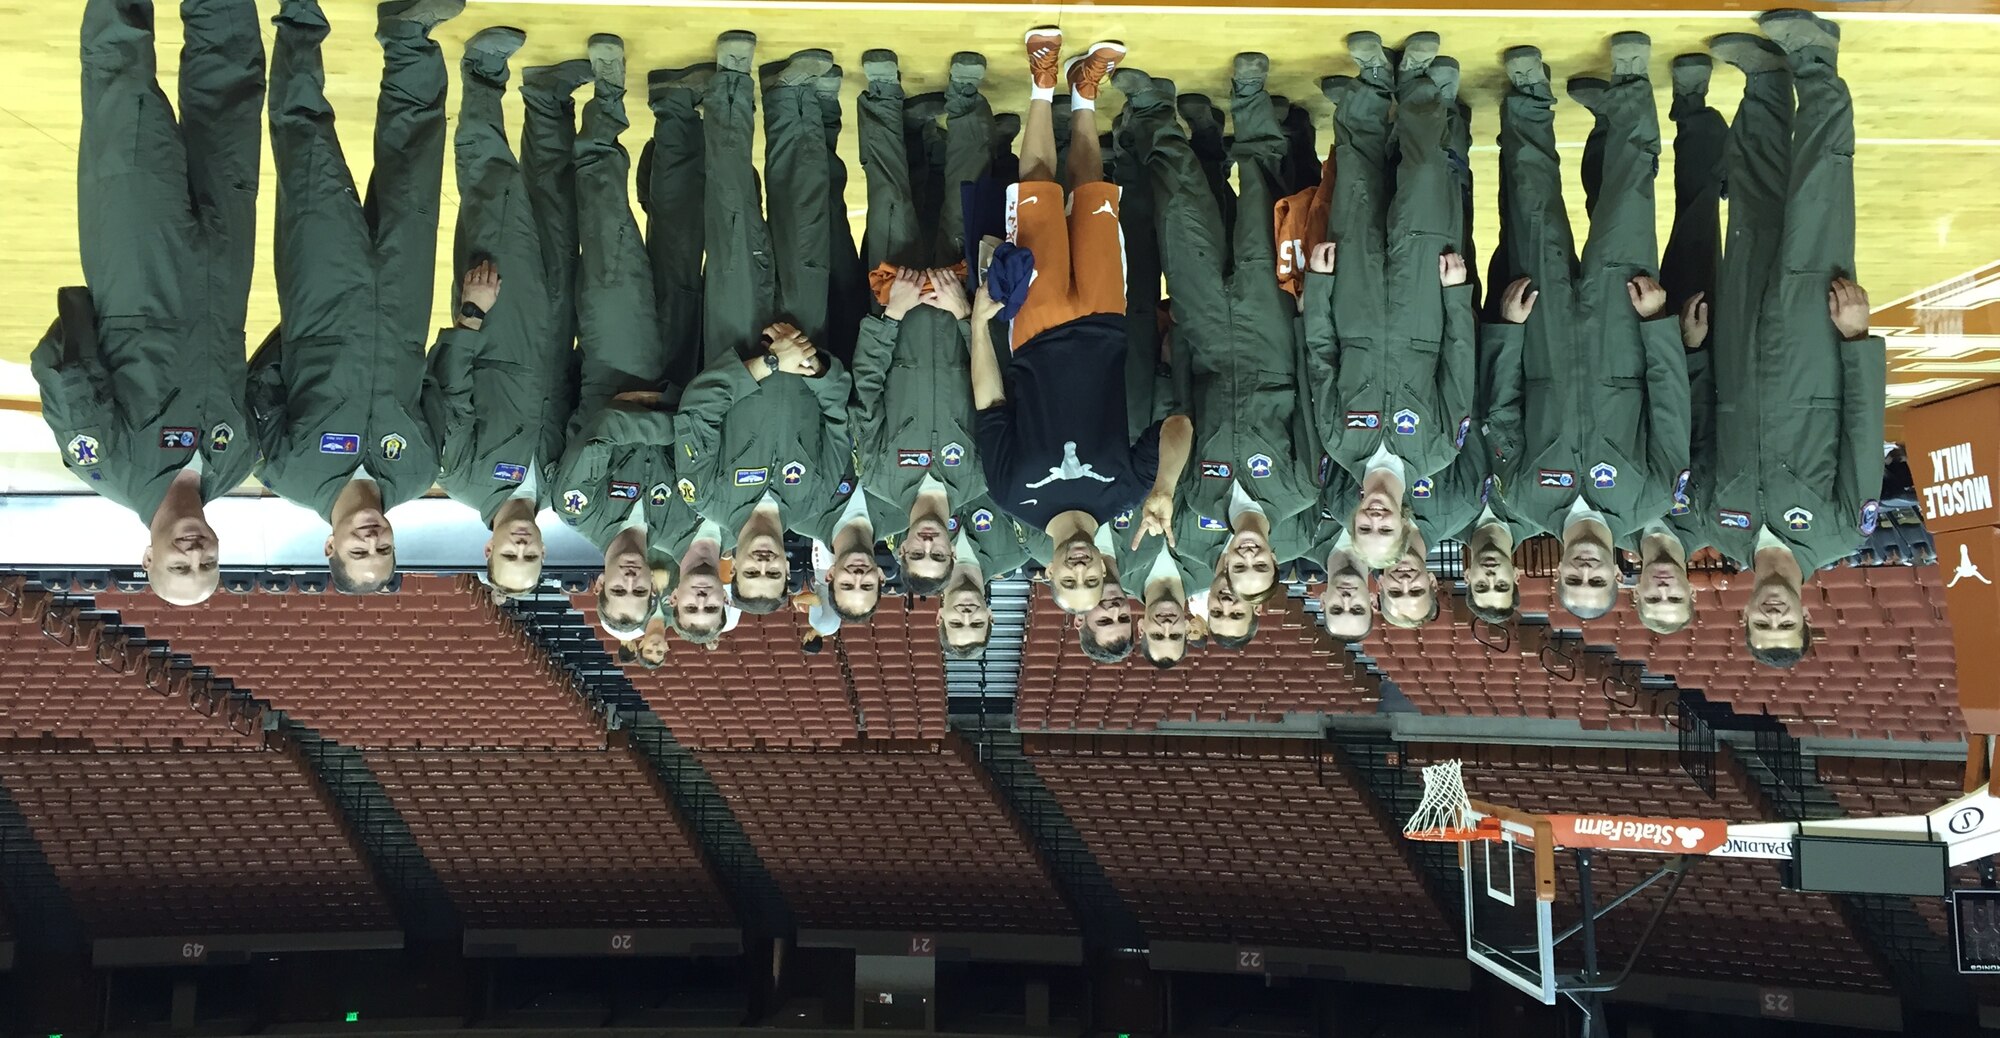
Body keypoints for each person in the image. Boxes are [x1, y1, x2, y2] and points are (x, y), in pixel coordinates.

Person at [33, 0, 265, 606]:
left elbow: (59, 367)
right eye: (208, 563)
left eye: (179, 567)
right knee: (231, 99)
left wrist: (111, 304)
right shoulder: (237, 460)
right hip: (224, 268)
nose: (195, 554)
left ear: (147, 557)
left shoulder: (105, 464)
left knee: (124, 90)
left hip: (139, 262)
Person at [973, 27, 1194, 615]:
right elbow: (1178, 427)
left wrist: (978, 326)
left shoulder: (1011, 495)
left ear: (1047, 575)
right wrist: (1165, 487)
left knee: (1039, 186)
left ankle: (1042, 81)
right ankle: (1085, 92)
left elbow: (991, 404)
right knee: (1095, 187)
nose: (1079, 574)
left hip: (1034, 329)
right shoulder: (1126, 494)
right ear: (1106, 568)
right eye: (1090, 581)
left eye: (1067, 584)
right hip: (1105, 320)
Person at [250, 0, 462, 595]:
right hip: (402, 301)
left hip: (323, 294)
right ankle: (409, 37)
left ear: (329, 545)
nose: (372, 536)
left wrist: (301, 333)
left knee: (307, 148)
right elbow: (438, 390)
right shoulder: (419, 472)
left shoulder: (287, 472)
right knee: (416, 162)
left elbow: (260, 385)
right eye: (383, 547)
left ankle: (298, 22)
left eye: (358, 549)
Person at [1489, 34, 1690, 622]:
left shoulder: (1520, 499)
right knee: (1628, 205)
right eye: (1595, 578)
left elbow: (1502, 411)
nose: (1584, 568)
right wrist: (1656, 324)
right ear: (1614, 572)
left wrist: (1508, 332)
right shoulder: (1652, 497)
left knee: (1533, 211)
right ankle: (1631, 81)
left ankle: (1528, 95)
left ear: (1556, 577)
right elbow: (1671, 407)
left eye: (1573, 579)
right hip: (1623, 336)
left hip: (1543, 340)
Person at [1705, 12, 1885, 666]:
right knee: (1817, 200)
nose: (1774, 616)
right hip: (1815, 349)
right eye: (1787, 627)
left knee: (1751, 215)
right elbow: (1865, 433)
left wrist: (1702, 348)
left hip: (1739, 350)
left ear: (1748, 615)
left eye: (1762, 626)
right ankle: (1815, 61)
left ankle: (1763, 84)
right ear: (1807, 617)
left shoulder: (1721, 526)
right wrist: (1857, 341)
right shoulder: (1842, 533)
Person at [1115, 54, 1319, 611]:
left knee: (1181, 215)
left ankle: (1154, 109)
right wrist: (1305, 315)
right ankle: (1249, 93)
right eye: (1262, 566)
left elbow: (1179, 414)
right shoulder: (1301, 491)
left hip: (1203, 335)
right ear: (1276, 557)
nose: (1250, 557)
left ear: (1225, 564)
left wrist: (1177, 344)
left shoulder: (1196, 497)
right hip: (1272, 335)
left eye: (1240, 567)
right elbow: (1309, 398)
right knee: (1260, 197)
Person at [673, 39, 857, 617]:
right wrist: (816, 366)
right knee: (805, 216)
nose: (763, 562)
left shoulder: (705, 496)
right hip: (808, 335)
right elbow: (841, 417)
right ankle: (789, 98)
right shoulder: (819, 499)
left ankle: (729, 87)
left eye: (751, 572)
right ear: (787, 568)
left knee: (734, 208)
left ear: (734, 570)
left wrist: (770, 363)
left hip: (736, 332)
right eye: (773, 572)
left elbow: (696, 411)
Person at [546, 36, 703, 642]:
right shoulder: (679, 522)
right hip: (680, 359)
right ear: (655, 589)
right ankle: (674, 109)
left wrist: (667, 419)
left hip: (616, 356)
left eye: (619, 590)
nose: (632, 581)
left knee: (610, 227)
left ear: (600, 583)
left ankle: (606, 99)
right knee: (680, 234)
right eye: (641, 593)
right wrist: (672, 420)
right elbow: (692, 448)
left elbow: (608, 427)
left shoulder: (575, 507)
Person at [1301, 32, 1476, 573]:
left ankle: (1374, 82)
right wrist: (1454, 295)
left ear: (1352, 519)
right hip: (1422, 304)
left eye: (1364, 528)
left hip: (1352, 299)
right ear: (1408, 523)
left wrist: (1321, 284)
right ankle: (1418, 85)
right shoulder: (1439, 449)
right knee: (1423, 176)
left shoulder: (1337, 442)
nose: (1375, 517)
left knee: (1356, 180)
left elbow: (1320, 355)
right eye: (1385, 528)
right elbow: (1459, 361)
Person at [423, 29, 584, 601]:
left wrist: (470, 314)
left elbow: (450, 391)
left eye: (510, 555)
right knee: (555, 207)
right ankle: (547, 100)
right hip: (555, 335)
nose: (522, 546)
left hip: (497, 325)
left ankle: (483, 73)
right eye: (531, 555)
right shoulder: (560, 488)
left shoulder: (458, 477)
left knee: (497, 196)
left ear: (488, 550)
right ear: (544, 548)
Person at [1579, 53, 1727, 635]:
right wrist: (1690, 349)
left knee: (1608, 227)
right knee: (1695, 224)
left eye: (1652, 600)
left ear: (1634, 592)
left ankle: (1609, 127)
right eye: (1677, 599)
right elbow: (1705, 427)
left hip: (1623, 352)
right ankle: (1692, 105)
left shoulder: (1614, 520)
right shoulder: (1714, 519)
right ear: (1694, 591)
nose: (1663, 589)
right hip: (1689, 345)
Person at [851, 53, 1003, 598]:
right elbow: (992, 391)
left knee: (889, 196)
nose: (928, 545)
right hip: (958, 302)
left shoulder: (878, 477)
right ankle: (964, 97)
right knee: (966, 197)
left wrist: (891, 314)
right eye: (939, 555)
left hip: (902, 304)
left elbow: (864, 395)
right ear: (951, 543)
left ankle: (882, 94)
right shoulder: (982, 478)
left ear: (901, 547)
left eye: (918, 553)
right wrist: (967, 316)